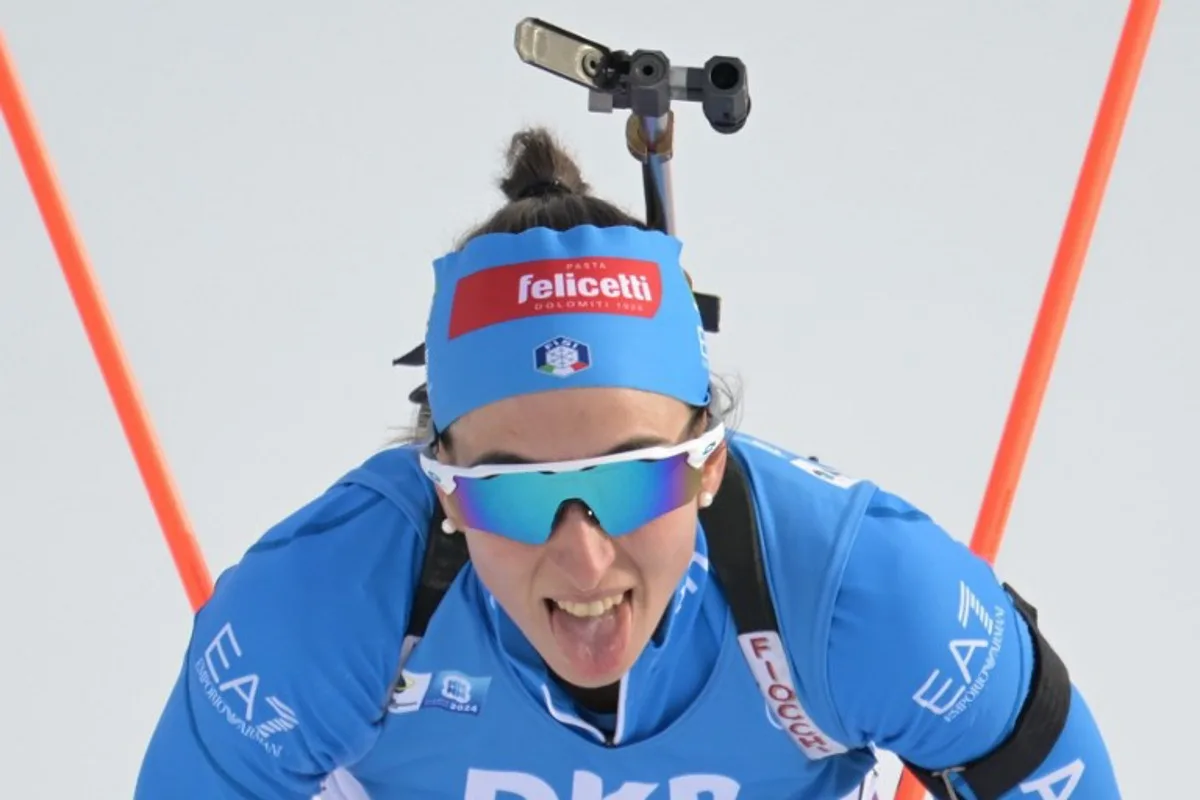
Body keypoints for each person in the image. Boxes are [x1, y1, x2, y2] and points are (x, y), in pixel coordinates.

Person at [134, 128, 1119, 800]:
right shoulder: (324, 607)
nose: (584, 561)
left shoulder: (853, 593)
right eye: (513, 494)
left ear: (707, 466)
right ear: (444, 494)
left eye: (627, 478)